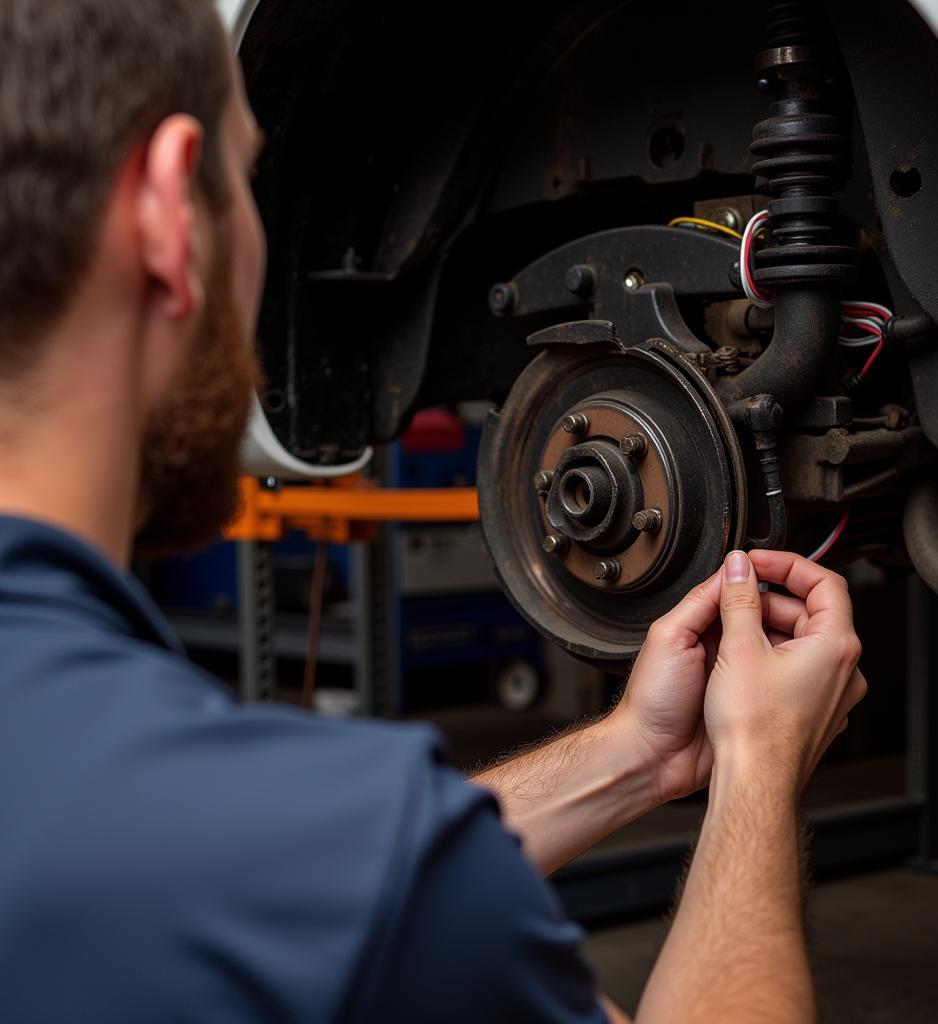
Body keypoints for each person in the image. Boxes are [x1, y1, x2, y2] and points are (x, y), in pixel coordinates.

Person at [0, 2, 867, 1021]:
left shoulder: (138, 807)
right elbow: (345, 876)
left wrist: (637, 753)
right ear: (163, 211)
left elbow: (282, 870)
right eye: (244, 180)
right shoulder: (339, 854)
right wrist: (760, 772)